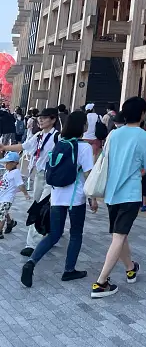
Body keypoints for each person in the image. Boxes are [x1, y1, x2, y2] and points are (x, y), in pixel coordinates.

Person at [20, 110, 97, 287]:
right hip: (75, 198)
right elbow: (87, 175)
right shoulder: (84, 147)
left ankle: (31, 262)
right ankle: (69, 270)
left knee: (54, 234)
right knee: (76, 234)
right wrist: (92, 198)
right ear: (82, 126)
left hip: (56, 196)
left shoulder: (60, 143)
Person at [92, 96, 146, 299]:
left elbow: (105, 159)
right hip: (130, 193)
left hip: (111, 193)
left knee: (119, 234)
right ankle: (101, 282)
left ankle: (130, 268)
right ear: (143, 113)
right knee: (119, 237)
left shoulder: (113, 135)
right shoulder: (145, 137)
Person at [1, 107, 59, 257]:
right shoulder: (39, 135)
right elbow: (23, 146)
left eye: (45, 117)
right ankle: (51, 232)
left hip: (52, 176)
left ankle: (32, 244)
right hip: (39, 175)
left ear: (53, 119)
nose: (40, 119)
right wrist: (5, 147)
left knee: (39, 208)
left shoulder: (57, 137)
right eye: (40, 117)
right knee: (42, 206)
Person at [0, 152, 30, 236]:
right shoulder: (7, 172)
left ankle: (0, 232)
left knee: (1, 215)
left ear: (15, 163)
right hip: (2, 196)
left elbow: (20, 184)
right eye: (5, 162)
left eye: (8, 163)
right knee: (3, 212)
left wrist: (25, 194)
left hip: (7, 198)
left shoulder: (16, 172)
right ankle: (10, 223)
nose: (6, 164)